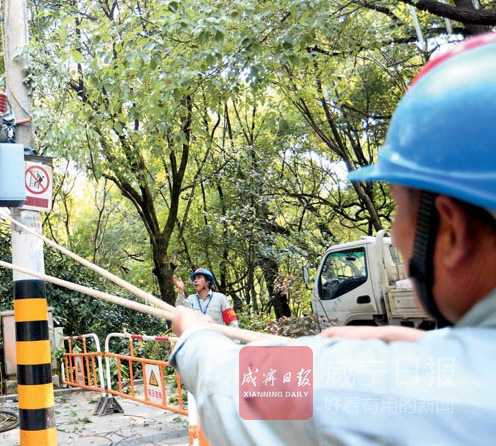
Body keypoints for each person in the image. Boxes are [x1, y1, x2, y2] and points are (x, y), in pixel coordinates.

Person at [169, 32, 496, 445]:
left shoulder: (366, 387)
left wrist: (195, 336)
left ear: (454, 231)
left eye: (400, 211)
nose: (393, 232)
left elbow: (231, 386)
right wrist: (440, 347)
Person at [174, 268, 239, 326]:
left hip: (217, 338)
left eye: (199, 277)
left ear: (208, 282)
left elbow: (232, 323)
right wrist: (180, 290)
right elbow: (179, 310)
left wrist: (234, 339)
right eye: (195, 279)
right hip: (198, 338)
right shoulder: (191, 299)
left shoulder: (220, 298)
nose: (195, 281)